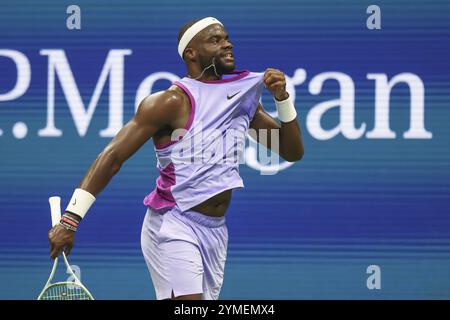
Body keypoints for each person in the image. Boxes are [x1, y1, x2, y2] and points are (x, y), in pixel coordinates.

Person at [48, 17, 304, 300]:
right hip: (173, 223)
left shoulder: (242, 98)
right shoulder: (170, 102)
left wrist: (282, 98)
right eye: (215, 40)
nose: (227, 43)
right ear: (191, 53)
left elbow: (291, 151)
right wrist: (70, 220)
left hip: (216, 232)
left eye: (227, 38)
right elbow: (113, 157)